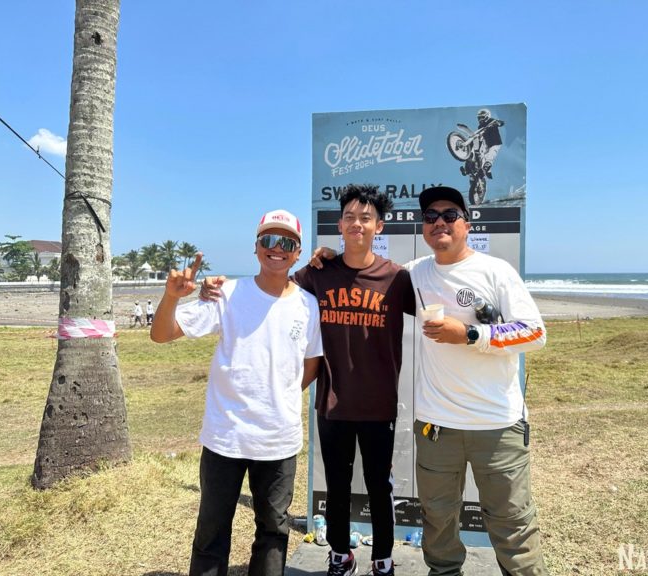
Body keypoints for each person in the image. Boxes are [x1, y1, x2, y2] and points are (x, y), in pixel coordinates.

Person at [200, 185, 415, 576]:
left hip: (379, 403)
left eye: (366, 218)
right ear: (339, 225)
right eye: (349, 217)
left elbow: (435, 310)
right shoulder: (317, 273)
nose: (357, 224)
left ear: (379, 226)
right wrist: (211, 289)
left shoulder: (397, 278)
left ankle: (383, 559)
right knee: (336, 486)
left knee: (379, 486)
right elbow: (274, 285)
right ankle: (340, 555)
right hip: (332, 403)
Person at [150, 209, 323, 576]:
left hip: (278, 439)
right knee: (212, 531)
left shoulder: (308, 306)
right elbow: (162, 334)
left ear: (297, 253)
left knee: (274, 531)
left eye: (286, 242)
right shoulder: (227, 294)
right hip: (225, 436)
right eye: (268, 240)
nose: (277, 248)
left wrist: (280, 395)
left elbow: (311, 364)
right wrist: (170, 297)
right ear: (256, 247)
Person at [407, 185, 548, 576]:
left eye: (449, 214)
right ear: (424, 227)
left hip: (497, 425)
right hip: (436, 426)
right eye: (430, 216)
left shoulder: (496, 271)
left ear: (467, 225)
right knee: (437, 523)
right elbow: (366, 273)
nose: (439, 222)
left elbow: (535, 333)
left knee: (513, 526)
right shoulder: (414, 273)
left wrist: (470, 335)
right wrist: (326, 257)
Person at [475, 108, 504, 179]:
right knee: (482, 155)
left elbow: (501, 123)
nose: (480, 119)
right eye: (479, 118)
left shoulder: (491, 121)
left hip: (495, 142)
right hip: (487, 144)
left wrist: (498, 123)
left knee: (491, 153)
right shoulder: (480, 126)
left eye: (482, 117)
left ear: (487, 116)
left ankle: (485, 168)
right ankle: (484, 170)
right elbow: (480, 136)